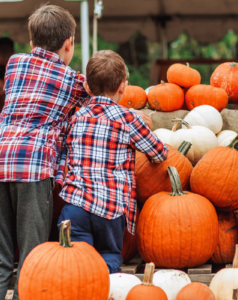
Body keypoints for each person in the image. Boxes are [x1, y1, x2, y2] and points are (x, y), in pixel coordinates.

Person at [0, 5, 151, 300]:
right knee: (31, 255)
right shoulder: (70, 80)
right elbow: (97, 97)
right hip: (34, 169)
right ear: (70, 44)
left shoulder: (15, 63)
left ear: (31, 43)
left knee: (3, 253)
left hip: (2, 159)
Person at [57, 50, 168, 273]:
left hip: (75, 206)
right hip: (110, 209)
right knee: (109, 255)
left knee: (76, 263)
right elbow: (159, 153)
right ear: (123, 87)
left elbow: (64, 152)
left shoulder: (76, 118)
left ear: (87, 88)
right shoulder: (128, 119)